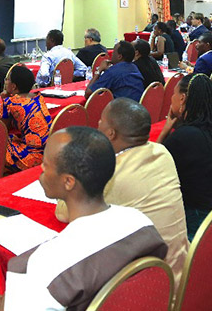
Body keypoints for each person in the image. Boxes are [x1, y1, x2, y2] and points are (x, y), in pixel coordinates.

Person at [0, 127, 167, 311]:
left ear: (68, 182)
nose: (41, 169)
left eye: (46, 165)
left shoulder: (48, 262)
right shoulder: (140, 221)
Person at [54, 99, 188, 285]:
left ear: (110, 133)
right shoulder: (162, 152)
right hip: (179, 273)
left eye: (101, 121)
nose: (97, 125)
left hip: (145, 288)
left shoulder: (109, 172)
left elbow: (64, 212)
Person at [157, 74, 212, 240]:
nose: (171, 98)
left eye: (174, 94)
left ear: (183, 98)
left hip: (199, 219)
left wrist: (165, 131)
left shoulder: (185, 136)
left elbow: (155, 165)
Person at [0, 66, 51, 172]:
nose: (5, 82)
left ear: (14, 86)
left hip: (31, 157)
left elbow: (2, 130)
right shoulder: (38, 96)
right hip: (49, 151)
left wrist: (5, 101)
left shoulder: (10, 102)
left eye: (7, 80)